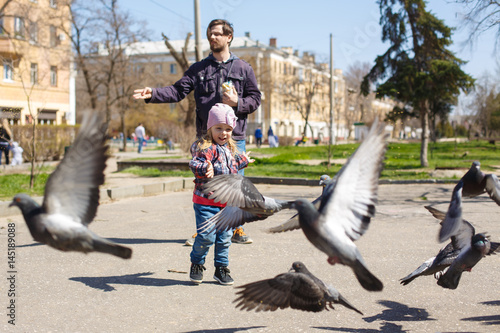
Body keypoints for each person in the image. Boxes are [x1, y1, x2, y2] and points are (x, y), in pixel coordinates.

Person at [133, 18, 260, 244]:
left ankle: (235, 229)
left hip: (233, 137)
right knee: (206, 183)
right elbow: (177, 91)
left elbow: (255, 99)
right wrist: (153, 93)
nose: (213, 37)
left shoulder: (243, 68)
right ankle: (204, 231)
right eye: (210, 33)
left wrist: (237, 102)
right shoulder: (199, 68)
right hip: (206, 138)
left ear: (229, 37)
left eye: (218, 34)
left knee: (234, 184)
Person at [188, 103, 253, 285]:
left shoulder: (230, 149)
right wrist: (204, 167)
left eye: (228, 129)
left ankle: (221, 268)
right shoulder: (204, 147)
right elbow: (194, 163)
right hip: (206, 201)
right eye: (219, 128)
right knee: (206, 236)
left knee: (224, 238)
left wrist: (244, 160)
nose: (223, 133)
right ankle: (197, 263)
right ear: (210, 128)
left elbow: (231, 166)